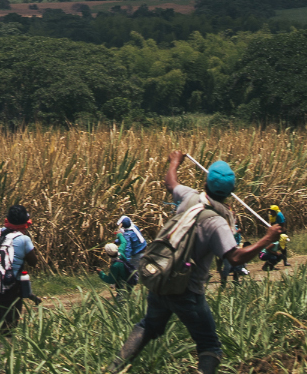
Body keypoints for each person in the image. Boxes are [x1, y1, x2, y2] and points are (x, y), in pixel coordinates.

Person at [110, 152, 281, 374]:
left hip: (160, 280)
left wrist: (174, 161)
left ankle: (114, 369)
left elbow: (171, 183)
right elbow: (235, 257)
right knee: (210, 347)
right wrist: (268, 239)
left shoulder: (189, 197)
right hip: (187, 292)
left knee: (148, 326)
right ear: (230, 193)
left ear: (205, 183)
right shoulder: (217, 222)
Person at [0, 205, 35, 338]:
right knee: (9, 326)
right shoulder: (23, 239)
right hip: (10, 287)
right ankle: (5, 354)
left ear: (7, 219)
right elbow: (33, 262)